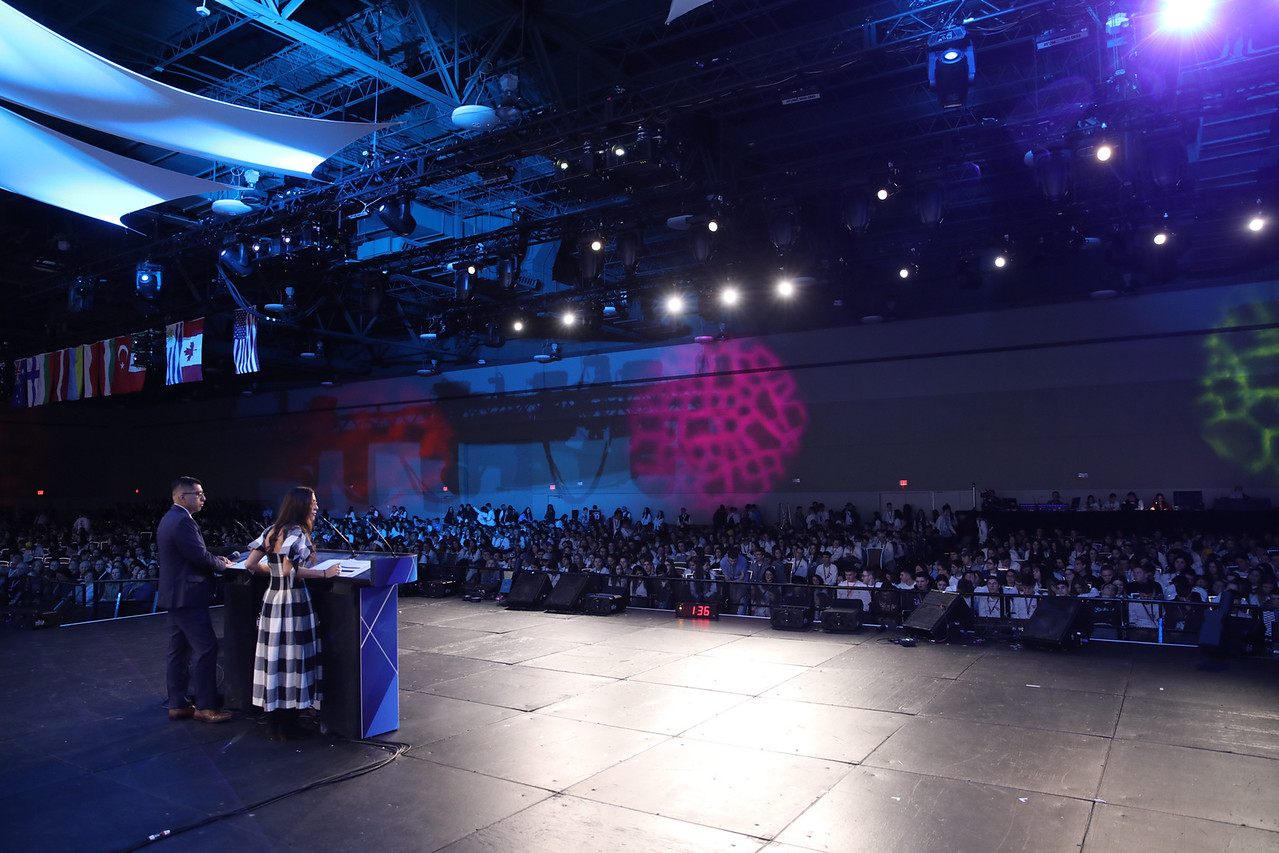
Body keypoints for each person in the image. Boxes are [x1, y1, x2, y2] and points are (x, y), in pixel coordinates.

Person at [244, 486, 340, 740]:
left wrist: (274, 571)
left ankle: (276, 724)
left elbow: (250, 564)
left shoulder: (272, 530)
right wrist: (324, 573)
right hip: (293, 602)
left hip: (272, 599)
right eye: (313, 502)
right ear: (300, 505)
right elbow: (289, 571)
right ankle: (289, 725)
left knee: (275, 659)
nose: (316, 506)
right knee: (294, 659)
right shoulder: (297, 532)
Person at [157, 476, 233, 723]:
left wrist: (216, 560)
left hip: (176, 595)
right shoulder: (183, 521)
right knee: (206, 648)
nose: (203, 498)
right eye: (198, 494)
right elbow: (199, 556)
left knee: (178, 651)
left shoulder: (169, 518)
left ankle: (178, 704)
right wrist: (223, 566)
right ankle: (206, 707)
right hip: (188, 596)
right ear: (182, 497)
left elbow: (192, 554)